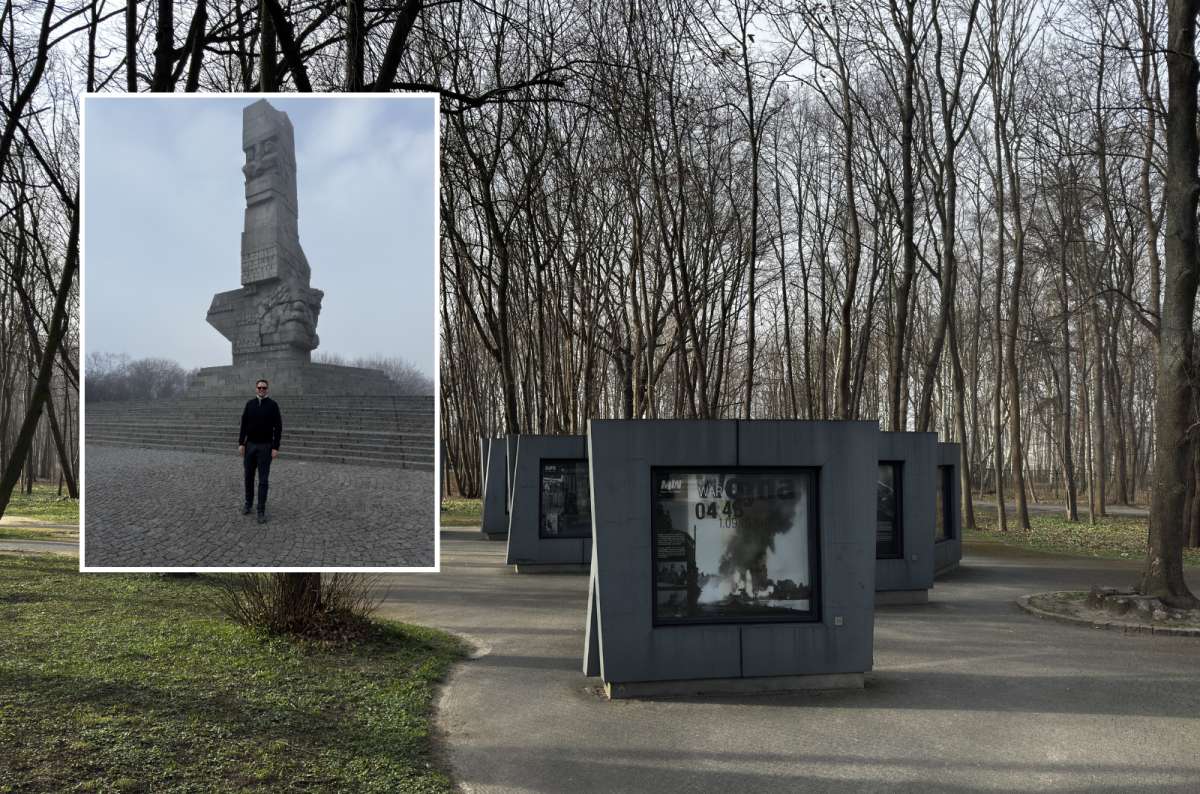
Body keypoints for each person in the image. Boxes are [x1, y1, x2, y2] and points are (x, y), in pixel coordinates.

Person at [239, 378, 282, 524]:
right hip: (250, 445)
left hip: (265, 446)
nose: (262, 390)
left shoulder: (273, 405)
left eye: (264, 388)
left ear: (267, 389)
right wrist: (241, 443)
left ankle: (261, 510)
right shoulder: (250, 404)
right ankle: (248, 503)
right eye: (259, 387)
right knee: (248, 477)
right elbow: (243, 424)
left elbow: (278, 427)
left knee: (263, 480)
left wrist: (275, 447)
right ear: (256, 389)